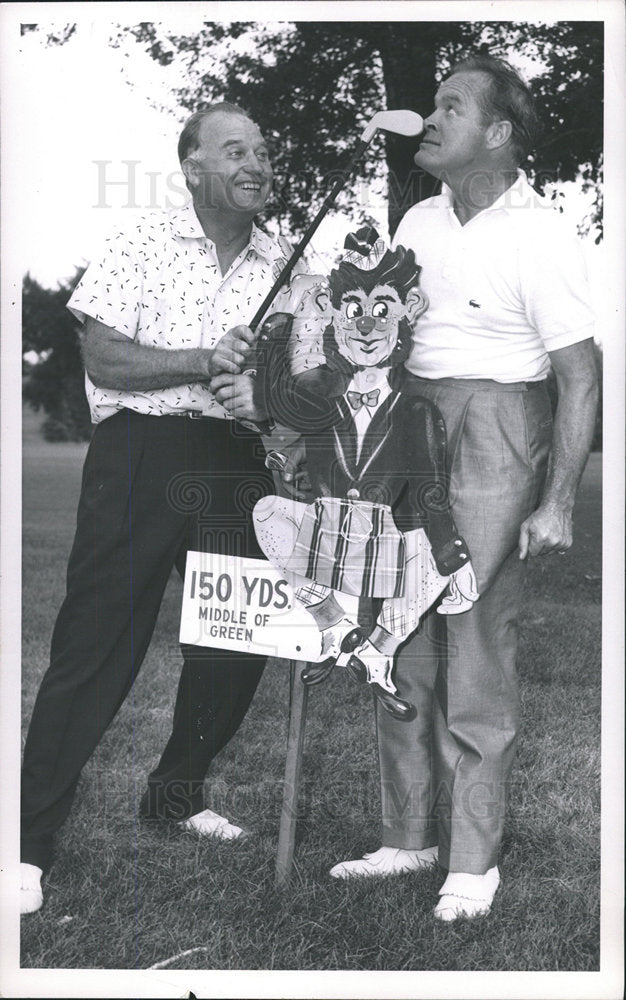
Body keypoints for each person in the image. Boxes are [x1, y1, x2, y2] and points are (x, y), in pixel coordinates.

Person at [328, 56, 598, 921]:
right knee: (394, 628)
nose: (429, 118)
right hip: (411, 422)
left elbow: (580, 375)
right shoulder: (417, 219)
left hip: (498, 426)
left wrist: (557, 500)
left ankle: (473, 860)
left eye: (451, 106)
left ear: (499, 134)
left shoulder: (543, 234)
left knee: (473, 631)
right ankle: (409, 836)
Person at [20, 102, 296, 914]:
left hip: (238, 461)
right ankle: (28, 842)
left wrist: (266, 394)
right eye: (235, 149)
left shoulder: (288, 265)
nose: (256, 163)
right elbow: (102, 353)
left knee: (238, 642)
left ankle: (176, 792)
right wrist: (199, 359)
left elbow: (298, 389)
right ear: (194, 168)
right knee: (98, 642)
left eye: (264, 150)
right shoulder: (141, 240)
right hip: (141, 450)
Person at [250, 228, 478, 721]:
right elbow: (272, 398)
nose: (368, 328)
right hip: (328, 529)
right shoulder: (320, 405)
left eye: (383, 311)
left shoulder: (413, 411)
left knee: (440, 562)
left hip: (382, 536)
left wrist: (448, 550)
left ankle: (376, 651)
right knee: (267, 513)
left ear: (407, 313)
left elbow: (431, 488)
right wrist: (281, 324)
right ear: (336, 316)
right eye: (354, 310)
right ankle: (334, 628)